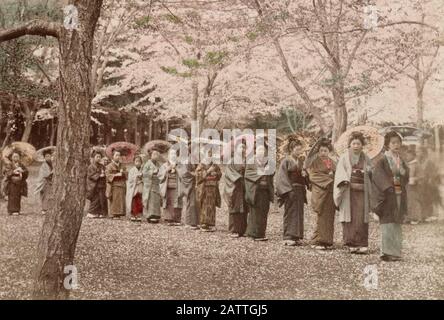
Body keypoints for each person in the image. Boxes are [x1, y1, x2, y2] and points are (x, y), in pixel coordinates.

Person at [371, 131, 409, 262]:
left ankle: (396, 252)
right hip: (387, 195)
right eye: (393, 143)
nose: (396, 145)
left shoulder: (400, 159)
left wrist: (404, 172)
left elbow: (405, 176)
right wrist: (388, 187)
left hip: (398, 193)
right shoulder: (382, 160)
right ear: (387, 144)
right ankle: (387, 252)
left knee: (397, 221)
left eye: (398, 142)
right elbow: (377, 175)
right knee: (387, 223)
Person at [333, 132, 372, 254]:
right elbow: (340, 172)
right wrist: (345, 180)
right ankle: (351, 243)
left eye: (358, 143)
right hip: (349, 191)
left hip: (362, 191)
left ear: (362, 145)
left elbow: (371, 172)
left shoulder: (366, 158)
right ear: (350, 145)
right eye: (353, 143)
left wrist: (369, 171)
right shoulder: (344, 157)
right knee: (350, 217)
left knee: (361, 218)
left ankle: (362, 243)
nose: (356, 146)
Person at [276, 139, 310, 246]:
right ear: (291, 149)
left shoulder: (301, 162)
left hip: (300, 189)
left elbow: (305, 177)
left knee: (299, 212)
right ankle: (288, 236)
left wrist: (305, 175)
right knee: (290, 212)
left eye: (300, 149)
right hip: (290, 189)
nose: (299, 152)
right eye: (297, 149)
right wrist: (288, 190)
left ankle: (296, 236)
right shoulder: (286, 161)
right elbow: (282, 177)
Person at [307, 139, 336, 250]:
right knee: (321, 216)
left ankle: (328, 240)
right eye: (321, 151)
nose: (323, 153)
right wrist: (329, 179)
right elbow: (313, 175)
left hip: (331, 191)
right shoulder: (315, 162)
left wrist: (334, 177)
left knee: (329, 216)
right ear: (318, 152)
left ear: (329, 151)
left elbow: (337, 174)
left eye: (325, 150)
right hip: (320, 190)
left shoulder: (333, 162)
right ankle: (318, 240)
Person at [245, 145, 274, 241]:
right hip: (255, 190)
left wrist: (269, 170)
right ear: (255, 151)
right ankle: (253, 233)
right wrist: (262, 171)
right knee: (255, 212)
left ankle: (261, 233)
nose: (261, 152)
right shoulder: (251, 161)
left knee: (264, 211)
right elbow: (248, 174)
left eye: (263, 150)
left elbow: (272, 172)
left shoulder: (268, 161)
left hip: (265, 190)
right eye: (259, 150)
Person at [223, 142, 248, 238]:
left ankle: (243, 230)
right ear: (236, 149)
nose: (242, 149)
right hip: (235, 187)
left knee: (244, 209)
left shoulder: (247, 161)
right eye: (240, 147)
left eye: (244, 148)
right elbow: (229, 173)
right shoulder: (231, 161)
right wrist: (239, 177)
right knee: (235, 208)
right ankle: (234, 230)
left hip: (244, 186)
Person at [195, 151, 222, 232]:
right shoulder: (201, 164)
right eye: (208, 156)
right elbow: (198, 175)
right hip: (205, 188)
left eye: (211, 156)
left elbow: (220, 174)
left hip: (213, 188)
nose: (210, 157)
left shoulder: (215, 165)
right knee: (205, 205)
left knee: (212, 206)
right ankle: (204, 224)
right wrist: (208, 171)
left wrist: (216, 174)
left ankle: (211, 224)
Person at [159, 149, 183, 226]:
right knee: (168, 202)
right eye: (171, 154)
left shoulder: (180, 165)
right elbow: (160, 176)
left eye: (174, 154)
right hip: (167, 187)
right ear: (168, 155)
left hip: (177, 186)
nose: (173, 155)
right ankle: (168, 219)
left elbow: (183, 176)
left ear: (176, 156)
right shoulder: (164, 165)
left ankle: (177, 219)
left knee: (177, 202)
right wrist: (167, 170)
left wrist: (176, 170)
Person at [416, 146, 440, 222]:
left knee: (429, 199)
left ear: (423, 152)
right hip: (420, 184)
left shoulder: (429, 162)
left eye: (418, 152)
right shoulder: (417, 162)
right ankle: (423, 215)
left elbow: (434, 173)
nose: (417, 154)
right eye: (416, 152)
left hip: (429, 184)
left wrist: (430, 180)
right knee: (421, 199)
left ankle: (430, 215)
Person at [2, 151, 28, 216]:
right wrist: (13, 171)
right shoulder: (9, 164)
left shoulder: (21, 165)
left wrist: (22, 171)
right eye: (14, 156)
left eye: (17, 156)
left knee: (18, 196)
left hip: (19, 183)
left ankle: (17, 210)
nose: (16, 158)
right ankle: (11, 210)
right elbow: (6, 172)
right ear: (11, 158)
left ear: (19, 158)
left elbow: (26, 171)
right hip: (12, 183)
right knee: (12, 196)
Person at [178, 152, 200, 230]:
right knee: (191, 203)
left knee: (196, 203)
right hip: (190, 184)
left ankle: (196, 222)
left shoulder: (197, 161)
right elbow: (184, 174)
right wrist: (194, 174)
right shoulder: (187, 162)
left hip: (196, 185)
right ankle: (190, 222)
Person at [105, 150, 127, 219]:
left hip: (121, 184)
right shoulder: (109, 166)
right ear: (113, 156)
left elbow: (126, 173)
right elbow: (108, 175)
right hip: (114, 184)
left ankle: (120, 213)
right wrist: (116, 175)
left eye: (119, 155)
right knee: (114, 199)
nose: (118, 157)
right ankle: (114, 213)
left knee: (121, 199)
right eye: (116, 155)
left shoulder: (122, 165)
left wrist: (123, 173)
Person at [142, 149, 162, 223]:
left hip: (156, 184)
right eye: (154, 154)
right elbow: (144, 173)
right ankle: (150, 216)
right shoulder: (147, 164)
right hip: (149, 184)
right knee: (150, 200)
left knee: (156, 200)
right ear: (150, 156)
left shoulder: (158, 164)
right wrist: (152, 172)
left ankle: (156, 215)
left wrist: (159, 173)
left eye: (157, 154)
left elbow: (161, 172)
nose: (156, 156)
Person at [86, 151, 107, 218]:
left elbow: (105, 174)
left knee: (102, 199)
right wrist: (99, 175)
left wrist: (104, 174)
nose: (98, 158)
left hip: (101, 185)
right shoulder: (91, 167)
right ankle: (91, 213)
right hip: (94, 186)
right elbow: (90, 176)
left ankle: (100, 213)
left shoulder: (102, 166)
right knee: (95, 199)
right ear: (93, 158)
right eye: (97, 157)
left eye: (99, 157)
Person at [404, 149, 421, 224]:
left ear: (413, 156)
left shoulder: (417, 164)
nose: (406, 157)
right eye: (406, 155)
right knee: (407, 201)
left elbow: (421, 175)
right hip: (407, 185)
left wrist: (415, 179)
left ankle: (415, 218)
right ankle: (408, 217)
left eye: (408, 155)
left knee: (414, 201)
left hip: (415, 186)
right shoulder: (407, 164)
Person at [35, 150, 54, 215]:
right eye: (46, 156)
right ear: (44, 157)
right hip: (45, 182)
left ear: (51, 156)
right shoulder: (43, 165)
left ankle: (50, 208)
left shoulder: (53, 164)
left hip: (51, 182)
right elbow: (44, 174)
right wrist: (51, 172)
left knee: (51, 195)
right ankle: (44, 209)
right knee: (45, 195)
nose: (48, 157)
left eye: (49, 156)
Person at [126, 155, 144, 222]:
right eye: (136, 161)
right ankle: (133, 214)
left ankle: (139, 215)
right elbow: (130, 180)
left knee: (139, 201)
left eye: (139, 161)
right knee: (133, 201)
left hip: (140, 187)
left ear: (141, 162)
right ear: (134, 162)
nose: (138, 163)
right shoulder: (131, 170)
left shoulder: (143, 170)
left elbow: (145, 178)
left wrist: (142, 178)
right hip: (133, 188)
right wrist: (136, 177)